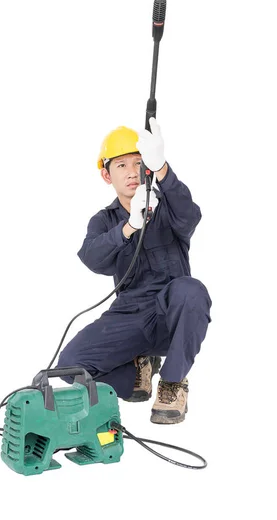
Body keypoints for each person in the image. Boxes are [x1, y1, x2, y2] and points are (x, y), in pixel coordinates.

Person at [57, 119, 212, 424]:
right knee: (70, 365)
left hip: (171, 315)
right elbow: (92, 258)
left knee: (192, 291)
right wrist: (129, 227)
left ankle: (173, 383)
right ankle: (137, 371)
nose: (131, 171)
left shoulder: (168, 206)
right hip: (129, 316)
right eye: (122, 165)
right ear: (106, 174)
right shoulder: (104, 221)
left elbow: (190, 215)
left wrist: (163, 168)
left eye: (139, 163)